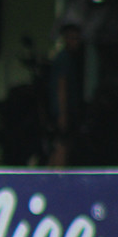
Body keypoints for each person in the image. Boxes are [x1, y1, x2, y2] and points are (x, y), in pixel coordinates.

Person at [48, 23, 86, 167]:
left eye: (78, 38)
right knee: (61, 144)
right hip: (62, 112)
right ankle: (56, 176)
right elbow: (61, 86)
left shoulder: (71, 59)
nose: (76, 42)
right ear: (65, 39)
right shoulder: (63, 59)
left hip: (66, 112)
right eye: (73, 38)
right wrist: (63, 114)